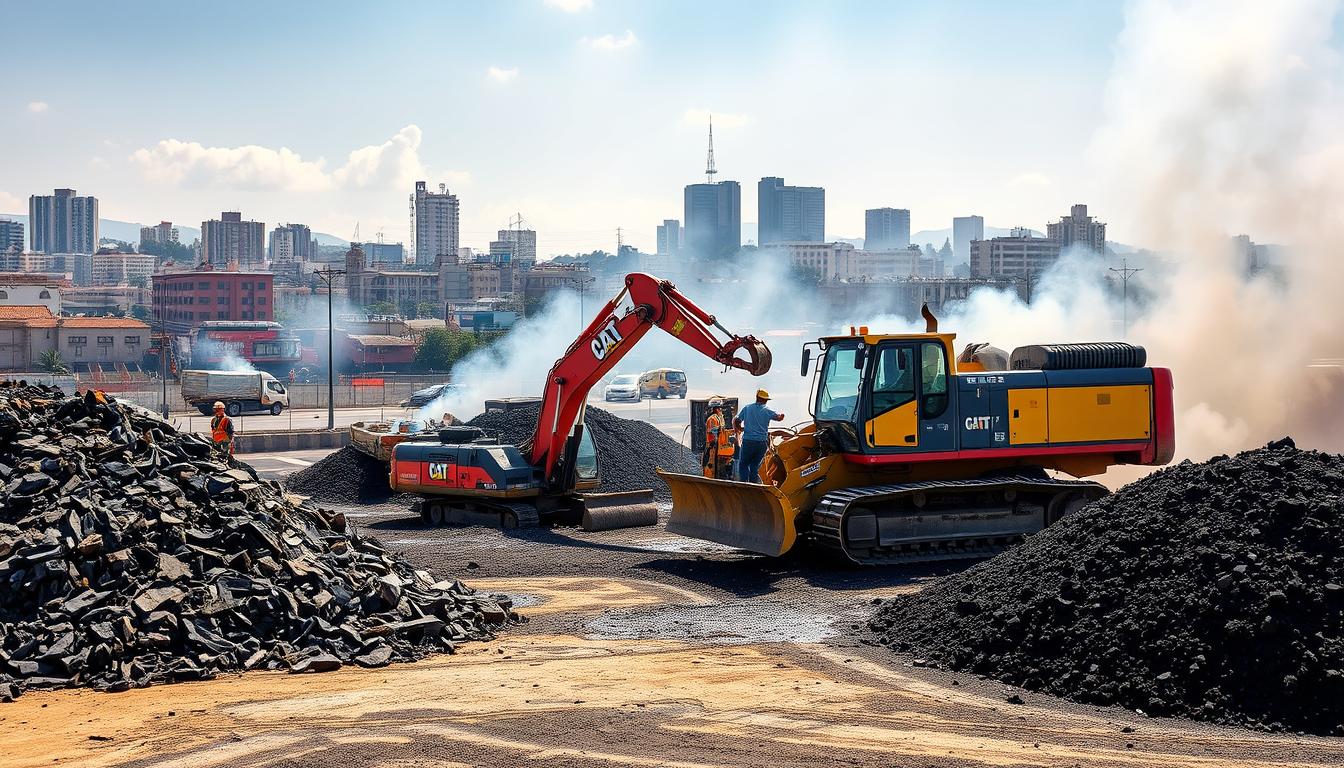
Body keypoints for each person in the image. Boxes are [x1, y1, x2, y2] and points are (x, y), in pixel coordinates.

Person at [734, 389, 785, 483]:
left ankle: (744, 485)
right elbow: (779, 418)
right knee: (754, 466)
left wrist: (740, 429)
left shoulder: (747, 408)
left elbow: (737, 421)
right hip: (761, 443)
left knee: (743, 464)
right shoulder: (768, 410)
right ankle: (753, 486)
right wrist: (781, 416)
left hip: (748, 442)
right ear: (764, 400)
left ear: (757, 398)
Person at [703, 398, 736, 479]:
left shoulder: (719, 418)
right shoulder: (712, 419)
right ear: (717, 409)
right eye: (720, 408)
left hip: (717, 446)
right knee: (711, 467)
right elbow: (713, 431)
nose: (721, 410)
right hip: (713, 446)